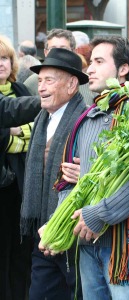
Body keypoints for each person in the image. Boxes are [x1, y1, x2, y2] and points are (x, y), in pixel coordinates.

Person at [40, 36, 129, 300]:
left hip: (128, 248)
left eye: (99, 61)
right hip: (88, 246)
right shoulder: (89, 116)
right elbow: (68, 178)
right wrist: (59, 224)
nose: (90, 69)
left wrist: (98, 215)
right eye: (91, 62)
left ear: (122, 69)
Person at [20, 47, 88, 300]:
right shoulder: (42, 118)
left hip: (72, 231)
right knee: (39, 293)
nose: (41, 87)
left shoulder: (86, 118)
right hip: (42, 230)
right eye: (39, 80)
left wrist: (86, 172)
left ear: (72, 85)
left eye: (49, 80)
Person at [0, 34, 35, 300]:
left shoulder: (22, 90)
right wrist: (11, 134)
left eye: (5, 58)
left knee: (22, 251)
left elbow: (37, 132)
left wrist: (14, 133)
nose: (1, 63)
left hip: (22, 184)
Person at [23, 28, 76, 96]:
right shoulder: (31, 83)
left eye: (63, 49)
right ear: (45, 52)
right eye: (53, 49)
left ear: (74, 52)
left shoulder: (87, 82)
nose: (57, 54)